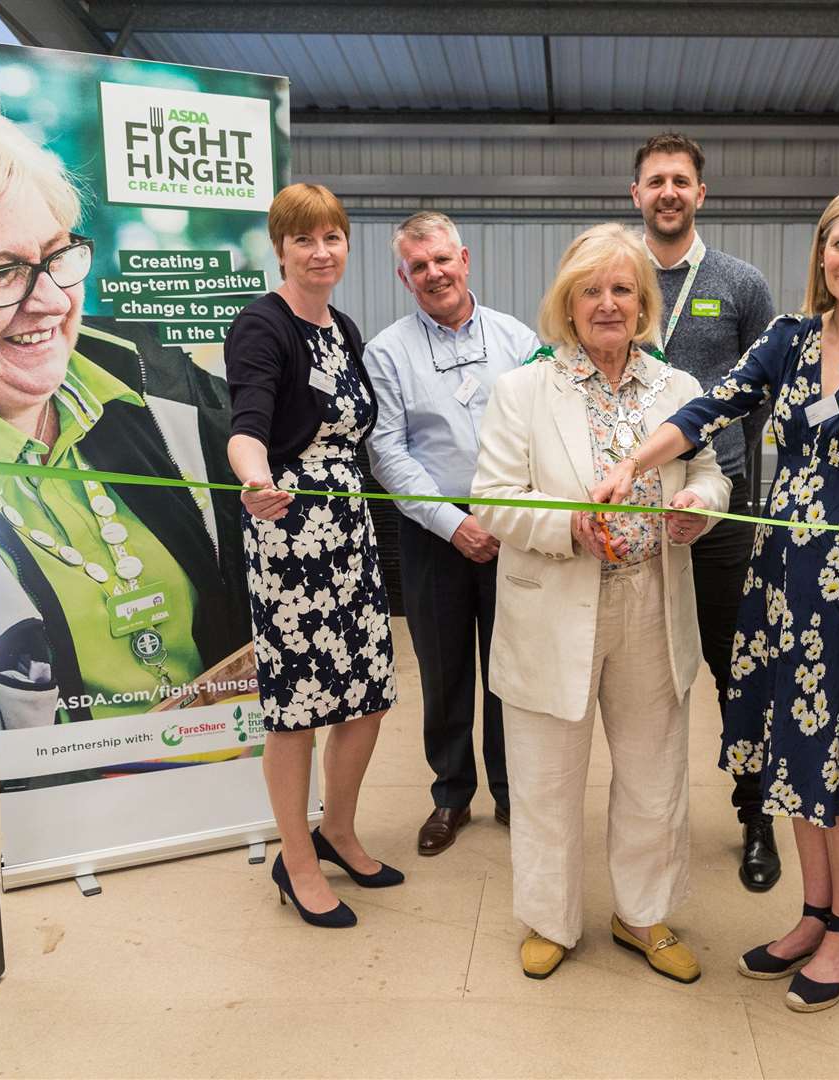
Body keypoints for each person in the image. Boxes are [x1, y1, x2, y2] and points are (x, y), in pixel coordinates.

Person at [593, 181, 839, 1012]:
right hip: (777, 574)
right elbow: (712, 407)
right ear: (821, 252)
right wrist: (634, 467)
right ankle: (813, 914)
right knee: (794, 750)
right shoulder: (790, 338)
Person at [0, 78, 251, 730]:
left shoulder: (169, 392)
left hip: (220, 771)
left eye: (57, 256)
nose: (51, 300)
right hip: (54, 812)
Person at [471, 223, 730, 982]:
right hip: (553, 604)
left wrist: (698, 507)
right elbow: (491, 500)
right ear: (568, 303)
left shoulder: (677, 389)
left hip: (651, 601)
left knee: (654, 771)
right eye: (592, 291)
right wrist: (567, 526)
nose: (608, 304)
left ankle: (643, 914)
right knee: (547, 774)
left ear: (644, 302)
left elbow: (711, 472)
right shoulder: (523, 390)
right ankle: (550, 919)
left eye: (623, 289)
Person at [224, 183, 401, 929]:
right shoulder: (262, 325)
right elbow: (247, 421)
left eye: (332, 237)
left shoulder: (343, 327)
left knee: (366, 695)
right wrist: (254, 478)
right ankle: (295, 859)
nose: (321, 251)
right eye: (304, 239)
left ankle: (338, 831)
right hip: (291, 533)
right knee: (296, 711)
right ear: (281, 248)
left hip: (350, 532)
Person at [630, 132, 783, 892]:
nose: (668, 192)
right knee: (642, 675)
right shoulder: (614, 275)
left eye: (680, 180)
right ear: (636, 196)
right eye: (655, 180)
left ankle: (756, 814)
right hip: (629, 515)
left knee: (736, 669)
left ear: (700, 195)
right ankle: (648, 825)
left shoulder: (740, 282)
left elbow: (769, 392)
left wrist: (729, 479)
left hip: (720, 515)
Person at [367, 212, 541, 856]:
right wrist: (452, 522)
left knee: (508, 671)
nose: (434, 273)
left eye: (442, 260)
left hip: (512, 528)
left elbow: (537, 434)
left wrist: (503, 515)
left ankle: (509, 791)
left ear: (464, 259)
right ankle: (450, 795)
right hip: (432, 532)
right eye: (419, 266)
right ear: (403, 276)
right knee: (442, 673)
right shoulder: (387, 351)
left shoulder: (517, 339)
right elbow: (387, 450)